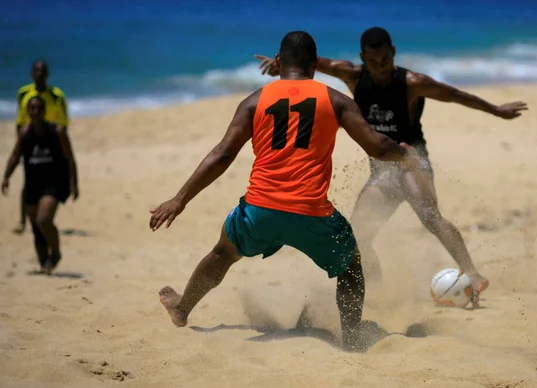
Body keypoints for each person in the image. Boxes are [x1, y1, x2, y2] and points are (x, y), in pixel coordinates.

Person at [149, 31, 420, 351]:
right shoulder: (336, 100)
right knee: (351, 264)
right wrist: (405, 154)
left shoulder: (253, 101)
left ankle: (182, 309)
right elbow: (377, 146)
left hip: (259, 211)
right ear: (315, 64)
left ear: (279, 62)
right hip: (312, 215)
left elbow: (222, 154)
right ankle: (352, 336)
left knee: (222, 252)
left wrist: (179, 199)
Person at [255, 27, 529, 307]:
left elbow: (455, 95)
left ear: (393, 53)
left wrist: (496, 110)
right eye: (372, 62)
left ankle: (473, 273)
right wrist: (284, 65)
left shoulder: (412, 82)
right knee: (358, 237)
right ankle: (378, 293)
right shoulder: (353, 75)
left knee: (428, 215)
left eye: (384, 60)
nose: (379, 68)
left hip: (412, 160)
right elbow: (313, 62)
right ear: (362, 58)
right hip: (383, 168)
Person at [2, 97, 79, 275]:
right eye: (31, 109)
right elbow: (15, 156)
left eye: (38, 108)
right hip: (32, 184)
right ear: (27, 111)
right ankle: (44, 262)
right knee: (35, 227)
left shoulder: (57, 132)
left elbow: (70, 159)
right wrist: (6, 177)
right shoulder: (24, 133)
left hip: (54, 184)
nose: (35, 112)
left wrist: (74, 184)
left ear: (44, 111)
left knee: (43, 220)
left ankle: (56, 252)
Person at [12, 60, 70, 235]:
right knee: (28, 183)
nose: (39, 74)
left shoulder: (57, 95)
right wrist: (22, 145)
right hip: (30, 142)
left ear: (48, 74)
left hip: (52, 143)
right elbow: (20, 120)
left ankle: (45, 217)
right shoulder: (23, 93)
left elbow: (63, 122)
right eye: (37, 71)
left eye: (43, 71)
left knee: (51, 181)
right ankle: (24, 221)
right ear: (31, 73)